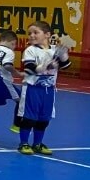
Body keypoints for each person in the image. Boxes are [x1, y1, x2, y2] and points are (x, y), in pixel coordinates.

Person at [18, 22, 73, 156]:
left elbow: (66, 65)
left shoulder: (54, 50)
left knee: (44, 119)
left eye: (36, 32)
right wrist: (44, 67)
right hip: (33, 88)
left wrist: (64, 55)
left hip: (49, 90)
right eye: (29, 33)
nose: (31, 35)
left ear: (47, 35)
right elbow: (29, 67)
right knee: (29, 118)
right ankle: (23, 143)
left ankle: (37, 143)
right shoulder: (31, 50)